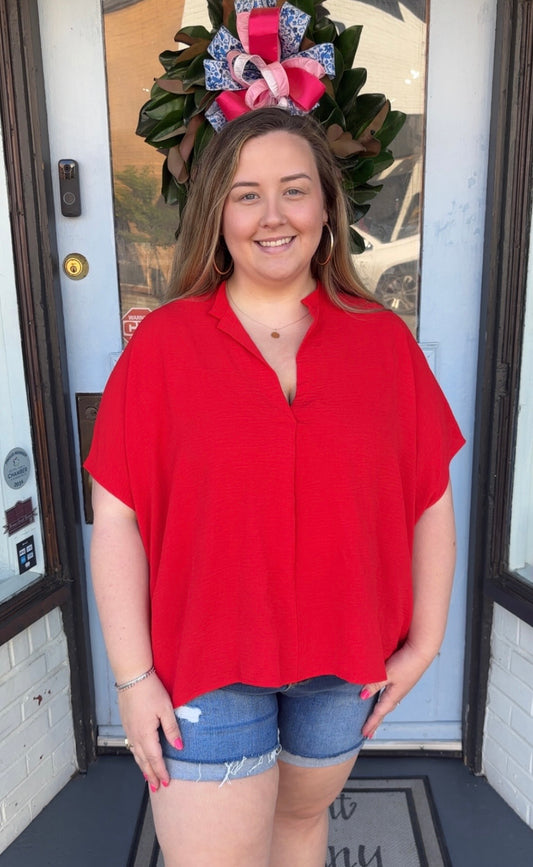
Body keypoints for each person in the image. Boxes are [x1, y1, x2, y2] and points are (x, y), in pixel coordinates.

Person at [86, 107, 464, 867]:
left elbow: (428, 500)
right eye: (246, 193)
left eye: (293, 190)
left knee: (298, 830)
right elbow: (116, 516)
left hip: (342, 666)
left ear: (326, 208)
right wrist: (132, 679)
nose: (272, 215)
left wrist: (423, 643)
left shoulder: (380, 340)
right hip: (204, 664)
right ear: (217, 212)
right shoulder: (165, 344)